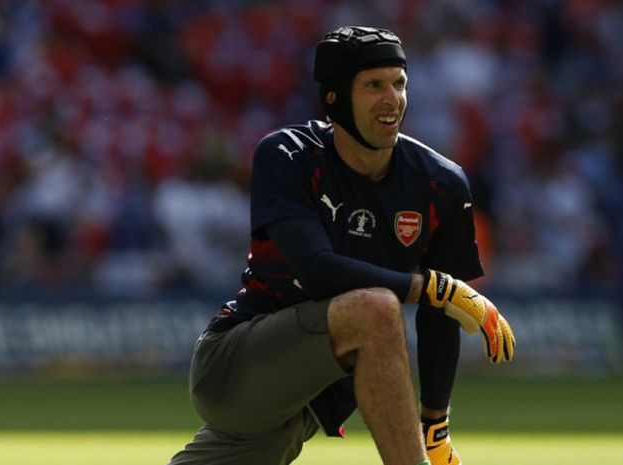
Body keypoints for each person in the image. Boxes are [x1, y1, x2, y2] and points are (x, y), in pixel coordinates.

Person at [168, 26, 515, 465]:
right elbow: (317, 268)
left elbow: (439, 316)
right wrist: (432, 287)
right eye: (374, 85)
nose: (393, 99)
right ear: (334, 98)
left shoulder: (441, 182)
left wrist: (435, 425)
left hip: (311, 402)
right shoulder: (287, 155)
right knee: (376, 310)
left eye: (399, 83)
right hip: (234, 370)